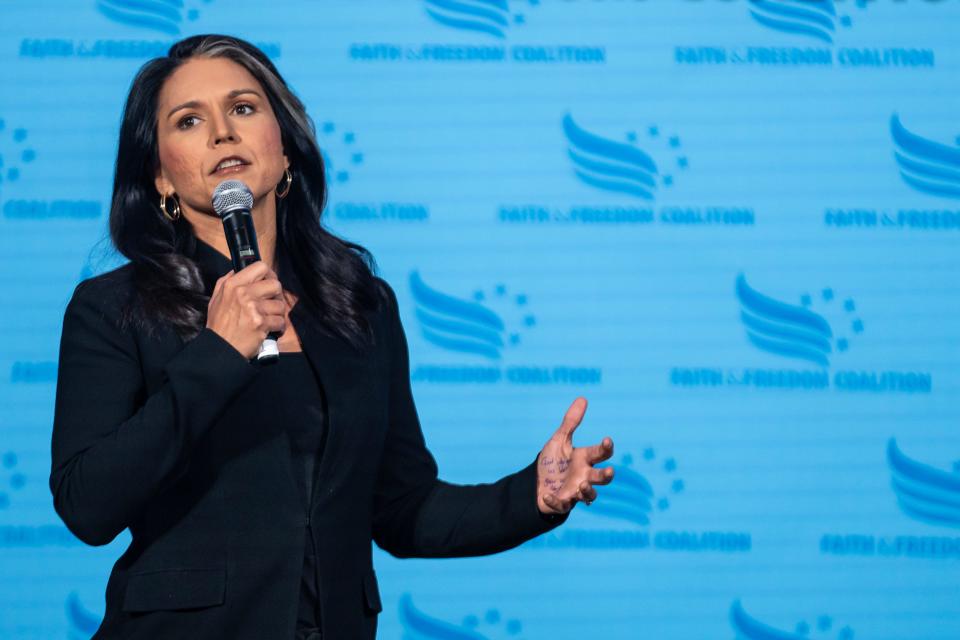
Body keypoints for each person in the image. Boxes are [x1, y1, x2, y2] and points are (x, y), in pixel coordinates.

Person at [50, 34, 615, 640]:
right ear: (159, 176)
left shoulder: (361, 304)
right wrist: (217, 352)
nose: (222, 133)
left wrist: (531, 496)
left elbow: (403, 509)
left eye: (243, 108)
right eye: (189, 120)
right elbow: (88, 503)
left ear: (286, 148)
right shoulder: (114, 309)